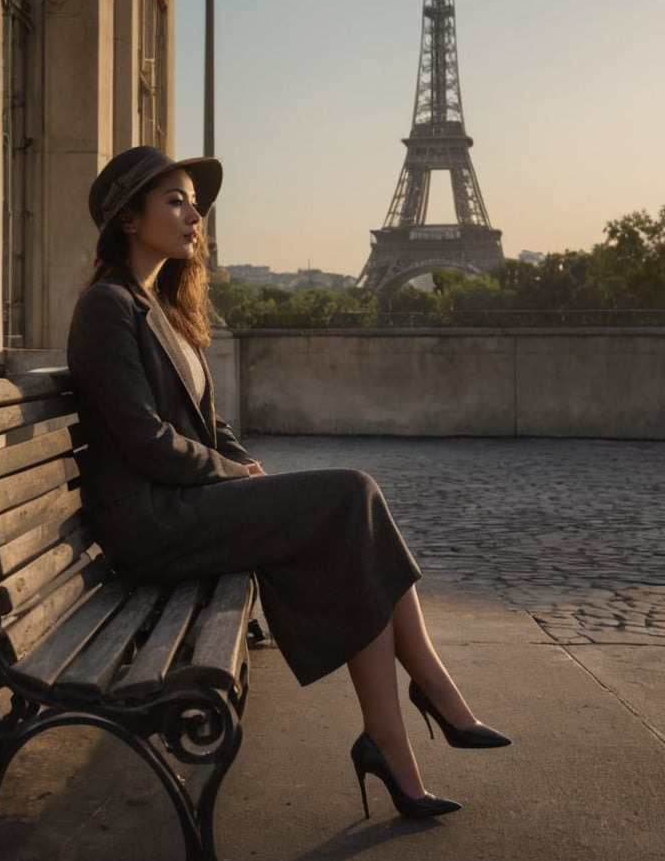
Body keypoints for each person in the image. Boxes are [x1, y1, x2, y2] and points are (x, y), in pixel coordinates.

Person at [67, 146, 511, 822]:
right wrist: (234, 475)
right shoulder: (108, 307)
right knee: (349, 495)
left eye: (195, 203)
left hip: (181, 505)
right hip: (151, 522)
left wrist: (246, 468)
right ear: (129, 218)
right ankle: (424, 693)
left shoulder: (158, 305)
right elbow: (143, 439)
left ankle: (394, 738)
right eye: (176, 201)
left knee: (348, 513)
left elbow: (209, 427)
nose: (195, 216)